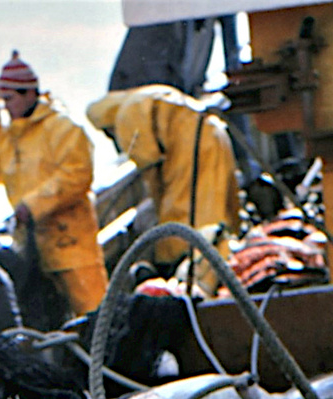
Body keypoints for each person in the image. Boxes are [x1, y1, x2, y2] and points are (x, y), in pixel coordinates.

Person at [0, 52, 109, 320]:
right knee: (41, 317)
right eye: (3, 100)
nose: (6, 107)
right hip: (32, 252)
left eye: (10, 99)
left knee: (95, 315)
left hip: (72, 249)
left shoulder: (64, 129)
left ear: (29, 93)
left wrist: (32, 205)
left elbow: (77, 175)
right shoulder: (8, 141)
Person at [85, 84, 241, 277]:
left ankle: (190, 267)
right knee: (219, 202)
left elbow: (149, 164)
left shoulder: (126, 115)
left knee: (187, 214)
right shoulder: (146, 94)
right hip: (213, 133)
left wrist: (160, 206)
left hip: (191, 149)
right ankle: (228, 250)